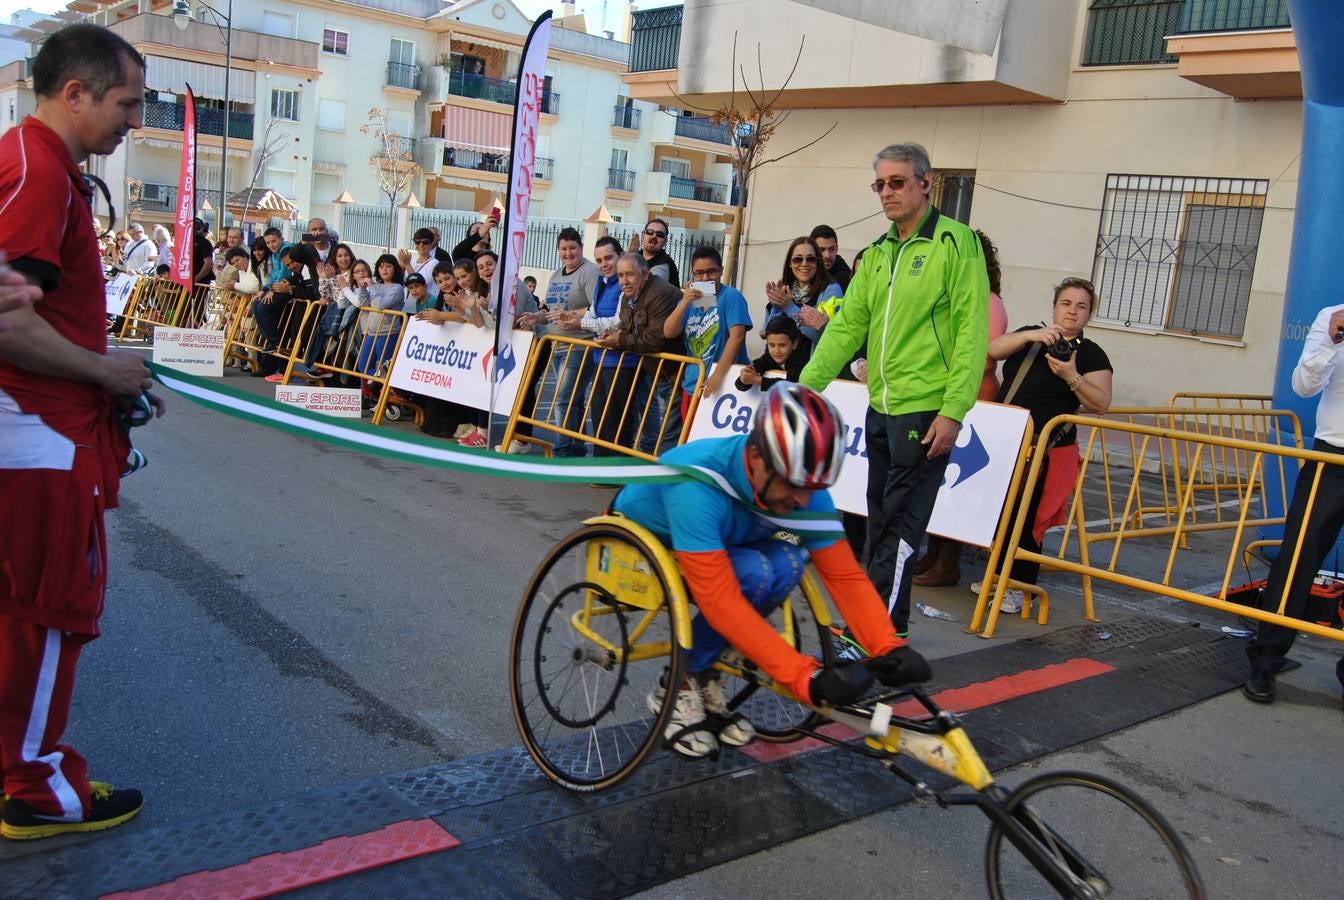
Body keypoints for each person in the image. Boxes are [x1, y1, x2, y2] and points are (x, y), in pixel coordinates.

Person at [0, 22, 162, 841]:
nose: (134, 120)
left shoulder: (37, 164)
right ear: (75, 94)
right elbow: (5, 324)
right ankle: (34, 787)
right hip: (38, 435)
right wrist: (105, 373)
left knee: (23, 611)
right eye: (126, 104)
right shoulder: (37, 173)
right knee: (50, 610)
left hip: (37, 427)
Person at [613, 383, 930, 757]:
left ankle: (704, 669)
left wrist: (885, 645)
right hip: (650, 533)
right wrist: (803, 678)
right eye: (794, 485)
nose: (802, 499)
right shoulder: (696, 484)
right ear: (758, 457)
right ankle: (679, 682)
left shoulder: (803, 488)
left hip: (730, 533)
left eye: (813, 488)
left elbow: (844, 575)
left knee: (790, 561)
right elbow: (720, 600)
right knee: (753, 572)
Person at [800, 142, 989, 637]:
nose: (887, 192)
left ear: (926, 183)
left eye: (898, 181)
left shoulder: (956, 242)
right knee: (880, 527)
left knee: (899, 533)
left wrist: (953, 411)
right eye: (880, 184)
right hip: (880, 408)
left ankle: (875, 638)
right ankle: (885, 633)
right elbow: (846, 327)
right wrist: (804, 389)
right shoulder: (880, 253)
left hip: (926, 414)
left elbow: (973, 332)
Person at [969, 277, 1112, 614]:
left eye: (1081, 306)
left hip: (1046, 446)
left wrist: (1071, 375)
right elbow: (994, 350)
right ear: (1054, 307)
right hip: (1006, 441)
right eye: (1066, 303)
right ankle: (997, 576)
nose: (1072, 311)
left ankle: (1020, 586)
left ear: (1089, 314)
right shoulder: (1034, 336)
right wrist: (1033, 335)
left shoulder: (1091, 353)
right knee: (1000, 511)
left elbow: (1101, 403)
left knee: (1028, 517)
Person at [1244, 302, 1344, 703]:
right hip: (1332, 458)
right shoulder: (1331, 316)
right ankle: (1266, 659)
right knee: (1299, 556)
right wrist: (1333, 341)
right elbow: (1303, 384)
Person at [913, 228, 1011, 588]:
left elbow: (982, 355)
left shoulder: (987, 301)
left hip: (974, 400)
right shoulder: (961, 296)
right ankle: (934, 554)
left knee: (958, 481)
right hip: (949, 395)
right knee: (939, 481)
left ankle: (948, 560)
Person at [663, 245, 750, 415]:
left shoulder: (731, 296)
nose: (705, 278)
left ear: (721, 271)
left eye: (712, 272)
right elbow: (668, 331)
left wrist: (718, 374)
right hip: (693, 384)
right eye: (699, 273)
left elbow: (737, 336)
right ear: (693, 274)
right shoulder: (694, 298)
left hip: (725, 385)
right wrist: (685, 302)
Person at [537, 227, 598, 457]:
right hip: (556, 345)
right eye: (564, 248)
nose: (568, 253)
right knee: (573, 401)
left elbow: (597, 308)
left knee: (563, 399)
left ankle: (562, 450)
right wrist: (537, 317)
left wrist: (574, 317)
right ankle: (574, 448)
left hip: (580, 346)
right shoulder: (555, 275)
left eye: (573, 248)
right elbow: (551, 310)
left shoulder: (590, 272)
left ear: (581, 248)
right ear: (558, 250)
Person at [763, 236, 843, 348]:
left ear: (818, 262)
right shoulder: (785, 289)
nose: (804, 264)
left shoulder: (831, 290)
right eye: (798, 259)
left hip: (813, 363)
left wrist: (789, 307)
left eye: (811, 259)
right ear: (790, 263)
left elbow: (828, 338)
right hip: (780, 364)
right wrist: (776, 307)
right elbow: (768, 336)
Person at [737, 315, 810, 392]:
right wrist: (744, 378)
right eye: (771, 345)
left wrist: (757, 380)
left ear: (795, 344)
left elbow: (793, 386)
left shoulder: (802, 356)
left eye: (782, 345)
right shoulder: (770, 356)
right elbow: (739, 384)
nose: (776, 351)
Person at [627, 217, 679, 287]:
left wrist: (631, 258)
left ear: (665, 241)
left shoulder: (665, 264)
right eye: (650, 232)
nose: (654, 236)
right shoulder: (637, 255)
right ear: (643, 236)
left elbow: (643, 287)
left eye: (660, 234)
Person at [810, 224, 852, 292]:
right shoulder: (804, 271)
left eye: (832, 249)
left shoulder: (843, 280)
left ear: (837, 248)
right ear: (811, 249)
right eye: (822, 250)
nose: (827, 255)